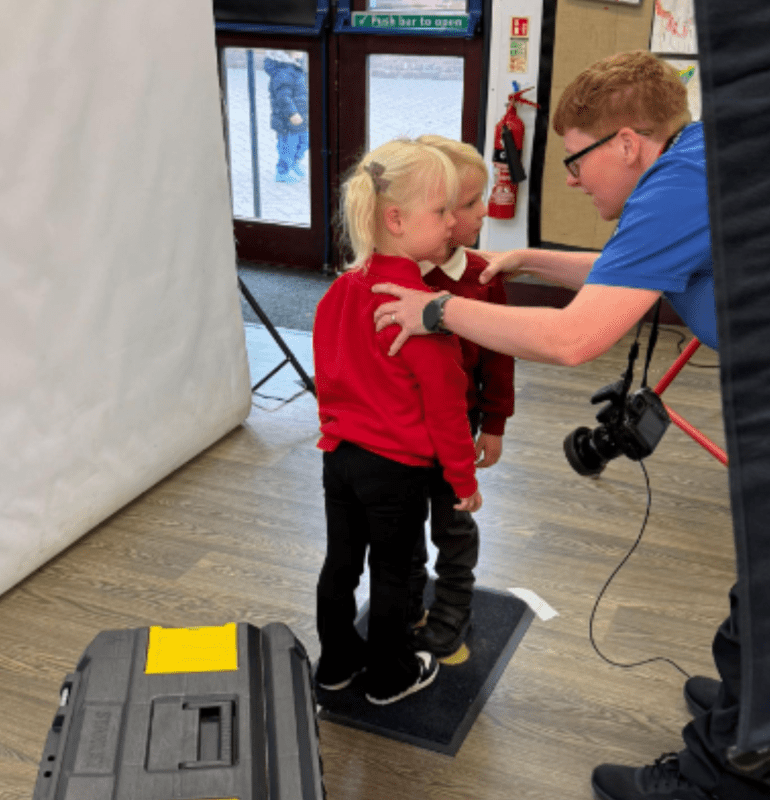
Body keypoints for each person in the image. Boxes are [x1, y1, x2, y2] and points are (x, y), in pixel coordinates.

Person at [371, 51, 770, 800]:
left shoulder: (676, 189)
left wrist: (434, 310)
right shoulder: (699, 159)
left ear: (628, 144)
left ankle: (719, 779)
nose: (572, 179)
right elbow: (624, 270)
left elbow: (574, 340)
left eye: (577, 159)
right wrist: (523, 262)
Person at [312, 138, 483, 706]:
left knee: (340, 564)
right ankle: (389, 675)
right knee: (391, 572)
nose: (452, 224)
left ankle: (334, 664)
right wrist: (463, 479)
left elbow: (328, 375)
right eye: (441, 213)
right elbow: (446, 405)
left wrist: (338, 429)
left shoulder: (339, 291)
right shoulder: (419, 307)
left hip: (339, 462)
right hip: (395, 472)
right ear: (396, 219)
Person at [404, 134, 515, 658]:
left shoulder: (482, 276)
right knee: (402, 523)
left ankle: (452, 607)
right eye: (469, 204)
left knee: (452, 521)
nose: (479, 215)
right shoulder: (391, 276)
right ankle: (404, 602)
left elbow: (500, 355)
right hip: (399, 430)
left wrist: (493, 422)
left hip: (458, 422)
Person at [262, 51, 309, 183]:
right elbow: (283, 97)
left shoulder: (296, 67)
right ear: (288, 52)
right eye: (297, 49)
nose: (301, 51)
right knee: (288, 146)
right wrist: (292, 114)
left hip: (302, 117)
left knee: (304, 142)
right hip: (287, 120)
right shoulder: (283, 72)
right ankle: (282, 172)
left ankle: (294, 163)